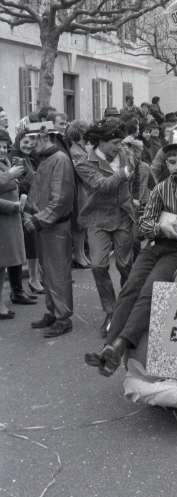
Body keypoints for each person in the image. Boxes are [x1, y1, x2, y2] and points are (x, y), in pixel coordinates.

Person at [84, 127, 177, 376]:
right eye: (172, 162)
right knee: (129, 288)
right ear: (167, 165)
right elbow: (144, 224)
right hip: (158, 244)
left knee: (150, 290)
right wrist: (160, 227)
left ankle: (119, 346)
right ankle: (108, 346)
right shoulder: (161, 189)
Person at [74, 120, 136, 338]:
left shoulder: (126, 155)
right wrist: (122, 173)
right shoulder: (83, 163)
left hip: (123, 216)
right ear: (101, 141)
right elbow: (101, 186)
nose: (119, 146)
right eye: (115, 142)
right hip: (97, 218)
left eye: (120, 142)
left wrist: (137, 198)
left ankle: (126, 310)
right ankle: (111, 311)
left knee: (125, 265)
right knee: (98, 265)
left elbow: (140, 175)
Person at [24, 122, 75, 337]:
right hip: (46, 225)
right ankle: (53, 311)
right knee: (48, 272)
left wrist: (38, 220)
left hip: (55, 226)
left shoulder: (59, 160)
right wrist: (30, 212)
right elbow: (37, 190)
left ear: (45, 137)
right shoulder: (47, 159)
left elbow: (61, 199)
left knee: (58, 273)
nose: (29, 144)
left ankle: (63, 317)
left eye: (32, 139)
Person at [9, 130, 45, 293]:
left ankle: (35, 278)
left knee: (33, 242)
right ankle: (31, 281)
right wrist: (33, 179)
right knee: (28, 244)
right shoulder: (15, 159)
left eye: (32, 142)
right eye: (25, 142)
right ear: (18, 141)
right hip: (21, 206)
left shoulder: (30, 158)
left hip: (32, 205)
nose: (29, 145)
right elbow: (15, 185)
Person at [0, 128, 29, 319]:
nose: (3, 150)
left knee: (3, 265)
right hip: (4, 219)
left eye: (4, 146)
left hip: (8, 221)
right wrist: (10, 175)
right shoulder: (6, 167)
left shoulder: (5, 162)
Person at [66, 121, 91, 269]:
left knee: (82, 224)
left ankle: (81, 254)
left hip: (84, 189)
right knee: (79, 224)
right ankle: (78, 255)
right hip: (80, 188)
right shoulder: (75, 150)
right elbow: (83, 172)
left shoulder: (81, 148)